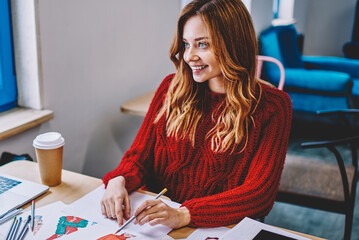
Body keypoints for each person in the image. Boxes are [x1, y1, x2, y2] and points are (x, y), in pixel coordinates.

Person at [101, 0, 292, 230]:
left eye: (202, 45)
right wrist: (119, 179)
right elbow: (139, 158)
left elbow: (259, 194)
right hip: (156, 227)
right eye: (185, 43)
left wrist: (185, 214)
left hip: (216, 229)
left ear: (234, 44)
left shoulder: (273, 106)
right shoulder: (170, 88)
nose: (189, 56)